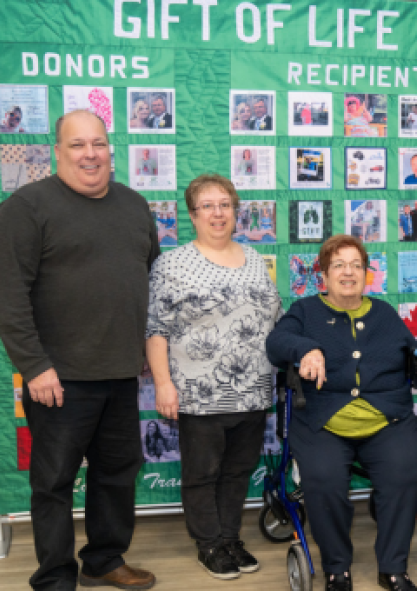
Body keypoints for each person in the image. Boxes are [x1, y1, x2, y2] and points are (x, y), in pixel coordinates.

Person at [0, 110, 159, 590]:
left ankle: (104, 559)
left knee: (117, 475)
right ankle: (55, 577)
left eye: (99, 144)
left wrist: (145, 349)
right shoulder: (26, 207)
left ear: (110, 149)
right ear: (58, 152)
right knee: (54, 483)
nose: (90, 154)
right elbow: (7, 295)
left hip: (123, 373)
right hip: (58, 379)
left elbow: (146, 276)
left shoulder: (134, 205)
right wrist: (35, 367)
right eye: (78, 145)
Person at [266, 234, 417, 591]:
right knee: (325, 481)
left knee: (400, 478)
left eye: (356, 265)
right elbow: (276, 343)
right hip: (323, 421)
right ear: (324, 276)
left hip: (386, 420)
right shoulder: (305, 311)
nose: (349, 273)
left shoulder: (384, 313)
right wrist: (306, 350)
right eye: (339, 265)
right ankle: (336, 568)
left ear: (367, 274)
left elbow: (416, 354)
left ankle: (393, 568)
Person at [145, 173, 280, 580]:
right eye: (208, 206)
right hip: (199, 393)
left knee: (238, 471)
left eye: (225, 204)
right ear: (192, 215)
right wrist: (164, 383)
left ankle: (229, 537)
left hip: (254, 390)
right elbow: (155, 329)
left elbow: (272, 318)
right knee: (203, 473)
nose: (218, 213)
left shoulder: (255, 259)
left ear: (236, 212)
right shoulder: (172, 263)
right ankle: (208, 544)